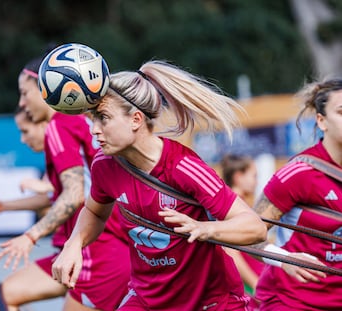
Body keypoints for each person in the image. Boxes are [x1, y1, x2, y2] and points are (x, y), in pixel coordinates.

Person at [51, 60, 267, 310]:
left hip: (210, 302)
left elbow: (255, 228)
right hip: (147, 301)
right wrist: (73, 244)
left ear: (135, 119)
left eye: (104, 118)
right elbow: (94, 212)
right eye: (93, 120)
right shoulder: (104, 165)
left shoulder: (185, 167)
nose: (94, 130)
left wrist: (204, 228)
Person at [0, 53, 130, 311]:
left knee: (1, 298)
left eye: (25, 93)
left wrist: (30, 236)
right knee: (0, 297)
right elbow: (67, 192)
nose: (22, 102)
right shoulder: (78, 122)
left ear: (46, 89)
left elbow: (74, 194)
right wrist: (6, 206)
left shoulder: (59, 126)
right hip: (89, 249)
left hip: (101, 252)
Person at [252, 78, 342, 310]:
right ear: (322, 121)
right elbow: (248, 235)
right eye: (341, 112)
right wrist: (283, 259)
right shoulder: (299, 173)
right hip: (291, 302)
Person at [220, 154, 265, 310]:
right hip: (248, 289)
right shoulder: (232, 209)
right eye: (254, 176)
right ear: (238, 177)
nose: (256, 181)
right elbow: (231, 252)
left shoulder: (241, 205)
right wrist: (255, 284)